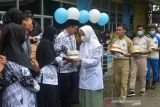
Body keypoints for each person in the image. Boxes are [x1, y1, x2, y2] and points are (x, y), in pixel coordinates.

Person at [1, 8, 40, 107]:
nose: (24, 37)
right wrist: (36, 71)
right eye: (21, 34)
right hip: (19, 100)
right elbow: (31, 84)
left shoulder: (9, 54)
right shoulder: (10, 60)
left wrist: (35, 68)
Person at [54, 19, 79, 107]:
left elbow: (74, 50)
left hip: (73, 68)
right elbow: (56, 53)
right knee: (64, 95)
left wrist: (76, 57)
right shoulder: (60, 36)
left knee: (71, 94)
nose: (76, 31)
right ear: (70, 27)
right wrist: (67, 59)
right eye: (75, 29)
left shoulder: (73, 36)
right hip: (64, 70)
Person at [78, 25, 103, 107]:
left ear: (88, 33)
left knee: (93, 97)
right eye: (80, 35)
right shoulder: (82, 45)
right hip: (84, 74)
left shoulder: (96, 45)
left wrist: (81, 60)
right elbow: (80, 58)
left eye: (83, 34)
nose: (82, 37)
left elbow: (95, 61)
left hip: (93, 75)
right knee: (84, 96)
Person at [36, 25, 60, 107]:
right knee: (48, 99)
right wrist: (61, 59)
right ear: (51, 33)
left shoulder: (47, 42)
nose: (56, 36)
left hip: (50, 76)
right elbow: (49, 59)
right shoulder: (45, 43)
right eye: (55, 34)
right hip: (46, 77)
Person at [111, 24, 133, 100]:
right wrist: (113, 52)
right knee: (117, 82)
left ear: (124, 31)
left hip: (125, 62)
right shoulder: (114, 40)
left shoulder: (128, 41)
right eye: (117, 30)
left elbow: (131, 53)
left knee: (124, 82)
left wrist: (124, 53)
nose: (118, 31)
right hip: (116, 62)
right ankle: (119, 96)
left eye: (120, 30)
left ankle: (122, 99)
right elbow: (112, 50)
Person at [128, 25, 151, 97]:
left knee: (142, 75)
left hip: (143, 58)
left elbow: (149, 50)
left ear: (144, 30)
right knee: (132, 74)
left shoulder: (147, 39)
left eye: (141, 29)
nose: (139, 31)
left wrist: (141, 52)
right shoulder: (134, 39)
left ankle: (142, 89)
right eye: (138, 30)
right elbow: (132, 49)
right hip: (134, 58)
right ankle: (132, 90)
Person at [146, 25, 160, 90]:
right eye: (150, 30)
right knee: (147, 70)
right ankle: (147, 83)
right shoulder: (147, 37)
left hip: (155, 57)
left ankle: (154, 83)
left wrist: (156, 49)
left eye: (153, 30)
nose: (151, 31)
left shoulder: (158, 37)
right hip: (147, 57)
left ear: (155, 30)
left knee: (155, 71)